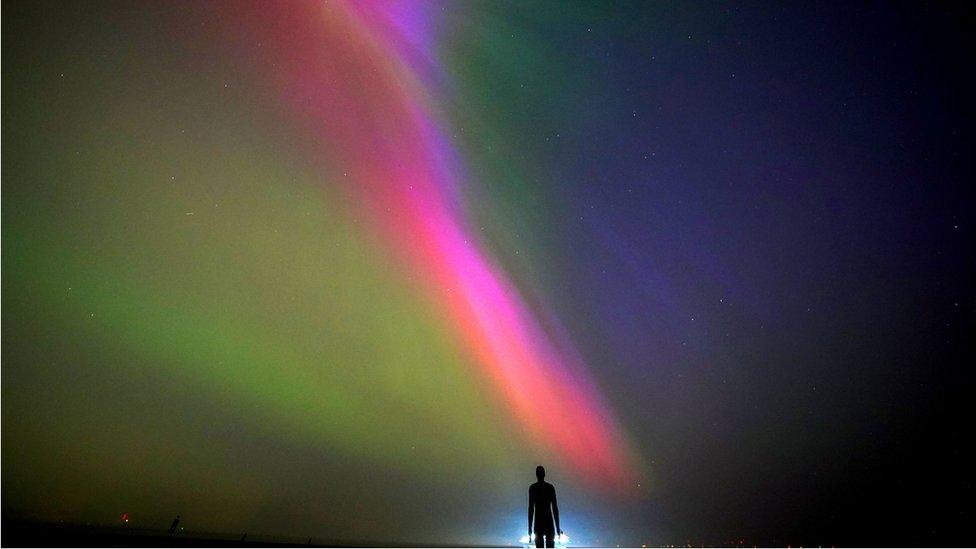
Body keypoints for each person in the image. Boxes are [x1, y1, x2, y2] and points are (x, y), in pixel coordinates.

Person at [528, 465, 562, 548]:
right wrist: (557, 527)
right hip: (549, 522)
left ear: (536, 475)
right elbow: (555, 508)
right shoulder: (550, 488)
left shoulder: (533, 488)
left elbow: (531, 509)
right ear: (544, 474)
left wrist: (529, 528)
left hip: (538, 522)